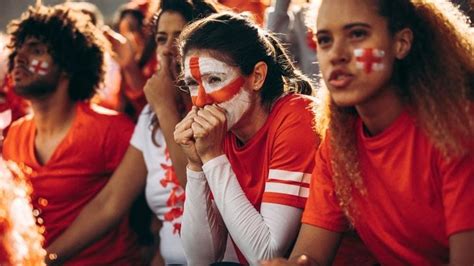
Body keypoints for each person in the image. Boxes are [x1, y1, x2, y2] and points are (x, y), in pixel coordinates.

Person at [262, 0, 474, 265]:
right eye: (325, 40)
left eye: (357, 34)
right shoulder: (340, 140)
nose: (336, 54)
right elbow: (311, 256)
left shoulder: (457, 128)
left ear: (401, 43)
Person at [44, 0, 219, 265]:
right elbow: (109, 204)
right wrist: (41, 259)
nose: (168, 50)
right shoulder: (151, 117)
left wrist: (164, 107)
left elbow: (201, 194)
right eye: (162, 39)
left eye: (182, 37)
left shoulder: (221, 111)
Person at [175, 12, 319, 265]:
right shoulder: (225, 129)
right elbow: (201, 258)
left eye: (214, 79)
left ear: (257, 77)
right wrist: (196, 165)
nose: (199, 101)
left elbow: (266, 254)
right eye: (193, 84)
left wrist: (212, 157)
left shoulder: (298, 117)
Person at [3, 5, 141, 265]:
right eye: (18, 48)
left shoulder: (113, 130)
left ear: (67, 65)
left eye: (36, 50)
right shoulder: (15, 135)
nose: (19, 57)